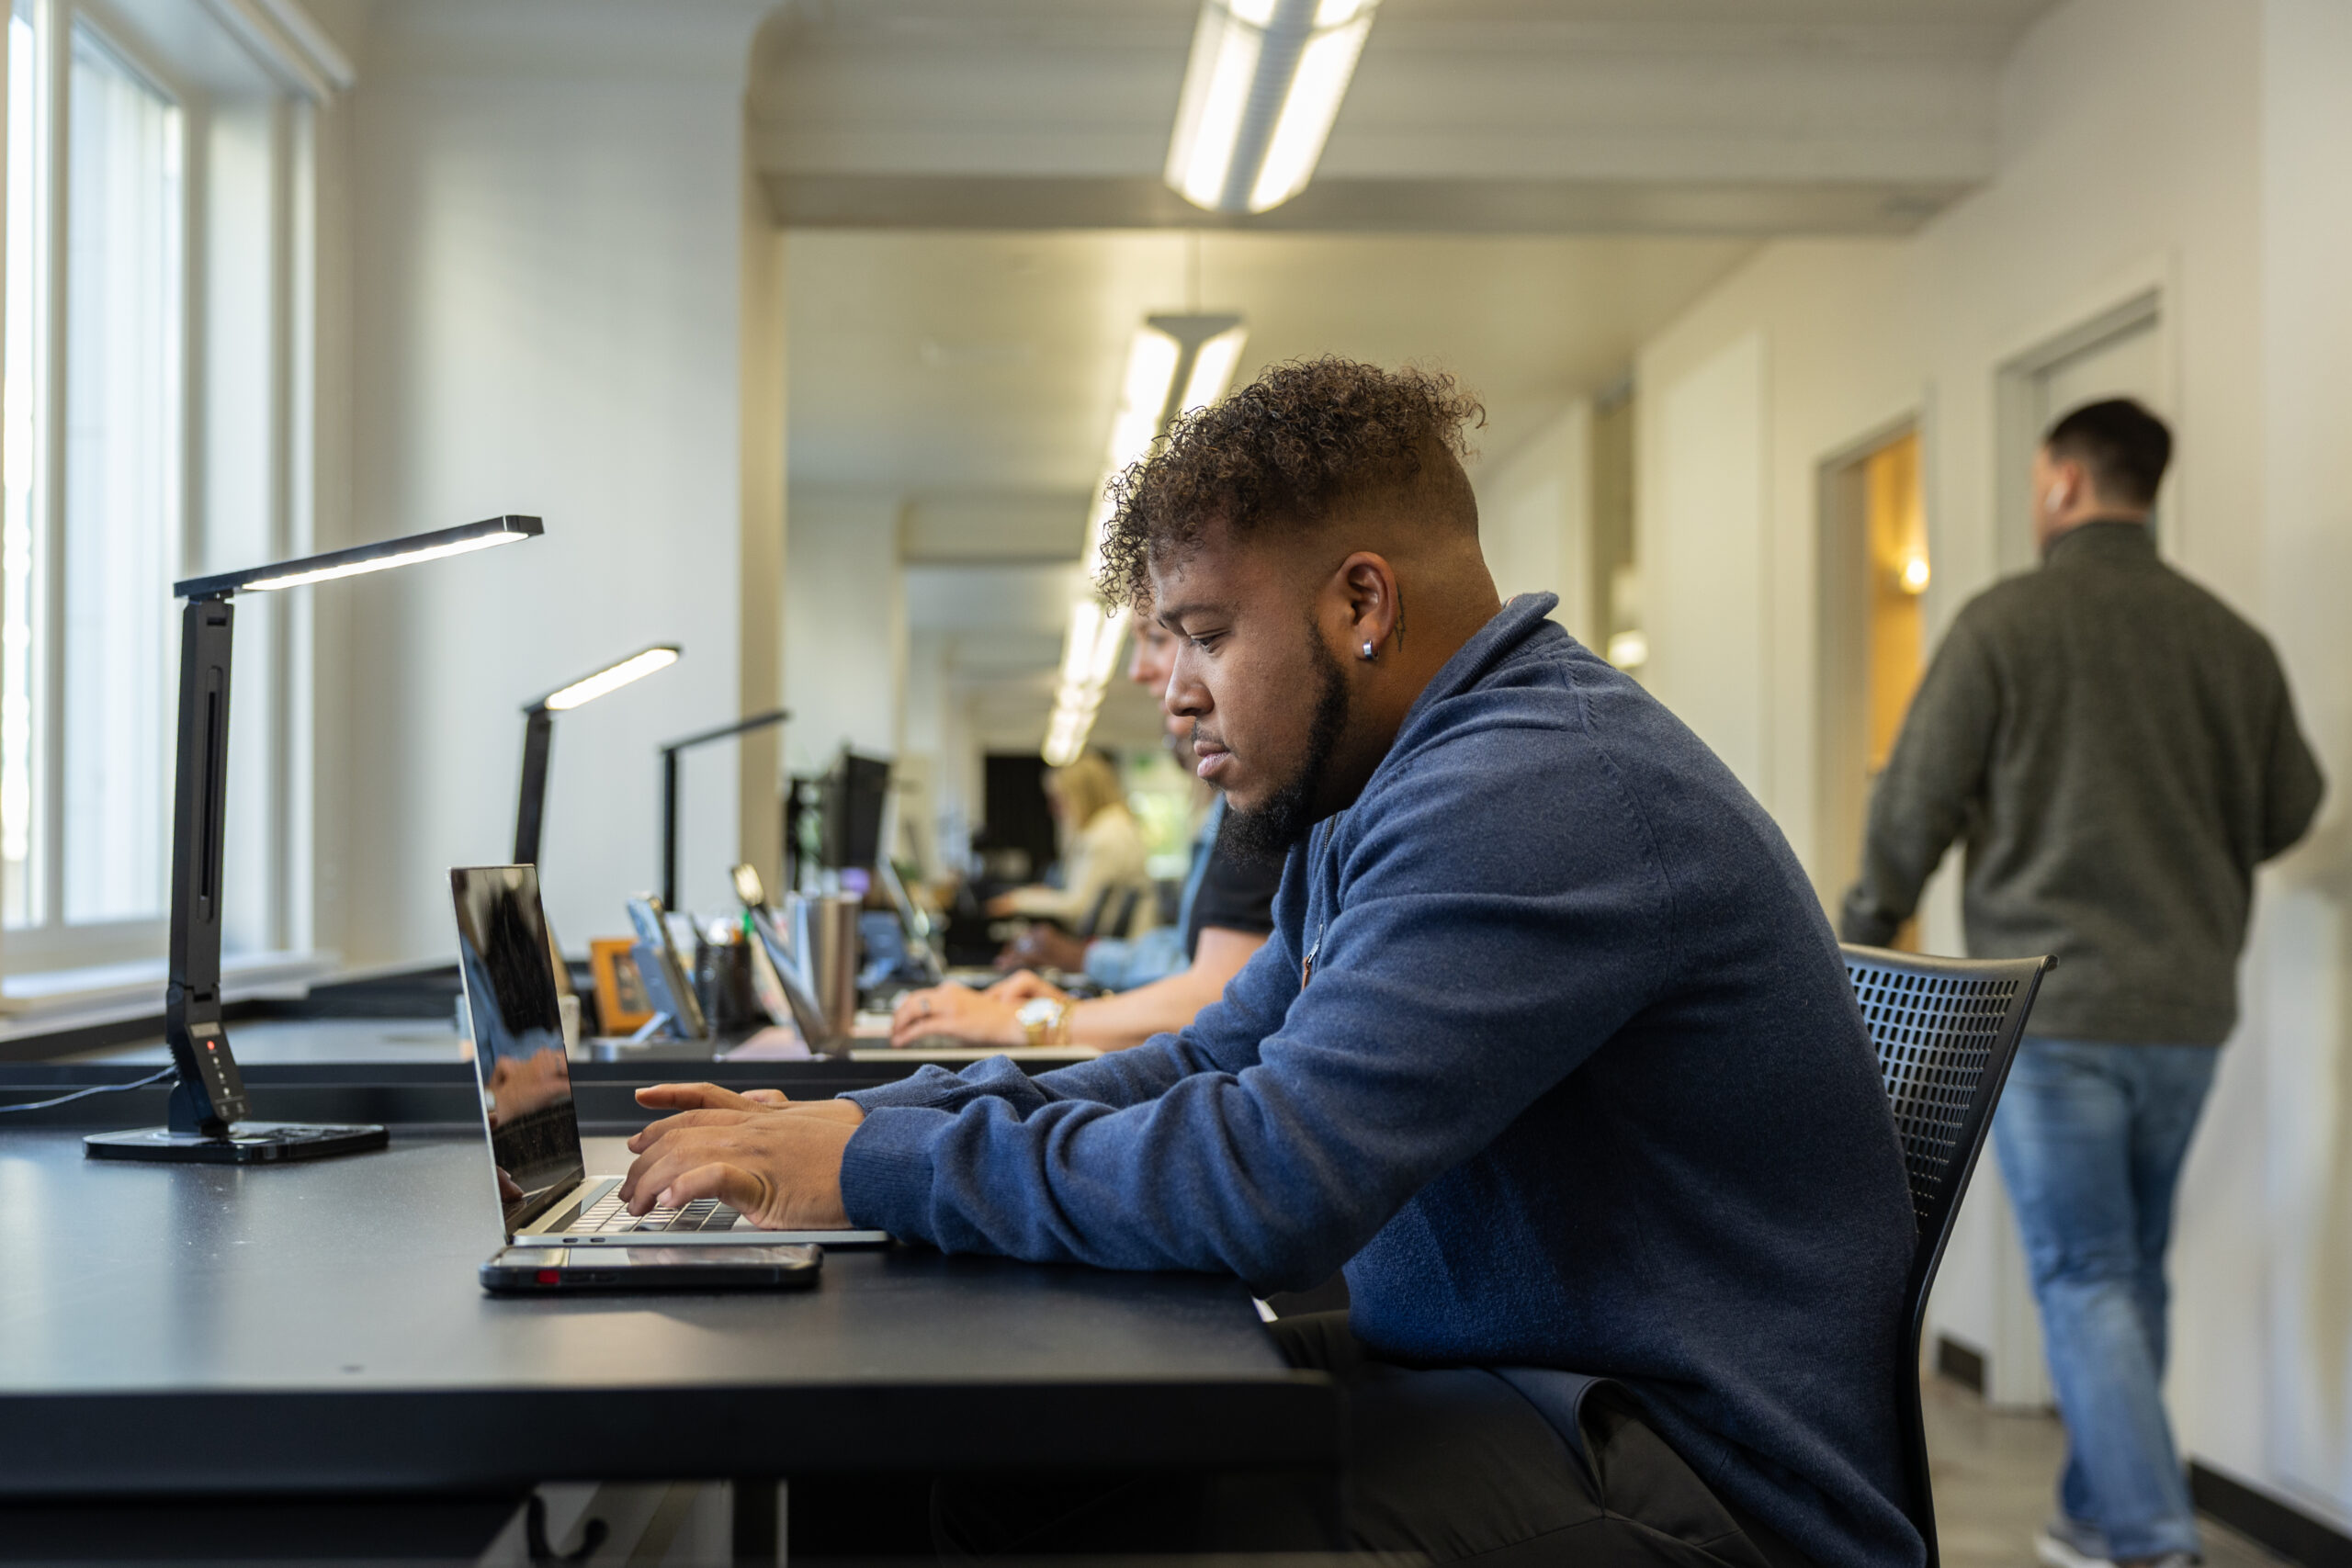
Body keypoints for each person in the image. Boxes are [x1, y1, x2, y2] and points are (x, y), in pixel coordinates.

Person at [621, 358, 1921, 1568]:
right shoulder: (1393, 791)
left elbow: (1267, 1180)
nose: (1172, 690)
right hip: (1526, 1373)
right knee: (998, 1468)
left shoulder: (1537, 792)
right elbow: (1205, 1059)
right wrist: (858, 1121)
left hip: (1695, 1469)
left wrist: (867, 1163)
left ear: (1362, 601)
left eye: (1204, 632)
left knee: (1055, 1507)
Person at [1840, 399, 2324, 1568]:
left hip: (2056, 1013)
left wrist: (1860, 927)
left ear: (2060, 482)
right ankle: (2089, 1516)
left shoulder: (2005, 625)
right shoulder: (2230, 642)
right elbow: (2290, 808)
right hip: (2188, 1009)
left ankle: (2154, 1541)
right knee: (2125, 1268)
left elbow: (1915, 805)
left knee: (2083, 1271)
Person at [894, 612, 1280, 1051]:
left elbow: (1214, 994)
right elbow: (1198, 969)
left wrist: (1035, 1021)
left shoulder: (1256, 802)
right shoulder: (1233, 810)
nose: (1138, 671)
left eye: (1157, 638)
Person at [986, 750, 1152, 939]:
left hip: (1117, 948)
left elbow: (1079, 907)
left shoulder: (1106, 834)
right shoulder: (1113, 825)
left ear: (1079, 796)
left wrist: (1017, 901)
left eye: (1058, 800)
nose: (1053, 810)